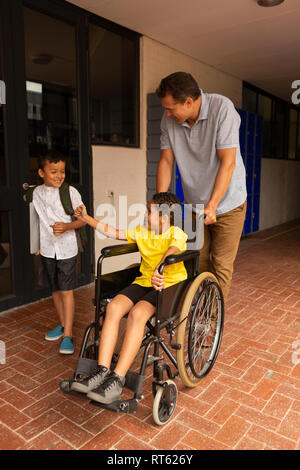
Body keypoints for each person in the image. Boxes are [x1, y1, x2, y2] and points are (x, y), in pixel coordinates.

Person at [71, 192, 187, 404]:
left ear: (163, 216)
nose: (145, 214)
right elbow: (113, 232)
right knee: (114, 307)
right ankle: (101, 371)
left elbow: (173, 250)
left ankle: (117, 379)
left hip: (168, 285)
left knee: (137, 314)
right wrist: (86, 218)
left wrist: (161, 267)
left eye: (150, 211)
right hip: (144, 281)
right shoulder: (142, 232)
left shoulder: (176, 233)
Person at [156, 71, 247, 301]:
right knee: (199, 260)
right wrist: (159, 204)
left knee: (221, 265)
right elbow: (166, 161)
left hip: (228, 203)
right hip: (195, 203)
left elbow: (228, 162)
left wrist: (213, 205)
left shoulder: (222, 109)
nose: (167, 113)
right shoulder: (169, 120)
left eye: (170, 108)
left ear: (188, 102)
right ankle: (200, 309)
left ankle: (212, 319)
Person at [32, 151, 86, 354]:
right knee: (54, 288)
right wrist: (36, 244)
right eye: (53, 171)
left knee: (66, 290)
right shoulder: (36, 193)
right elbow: (37, 220)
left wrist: (67, 226)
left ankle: (69, 335)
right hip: (47, 249)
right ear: (41, 173)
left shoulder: (70, 192)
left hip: (66, 249)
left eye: (62, 171)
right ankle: (63, 325)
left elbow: (83, 220)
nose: (58, 175)